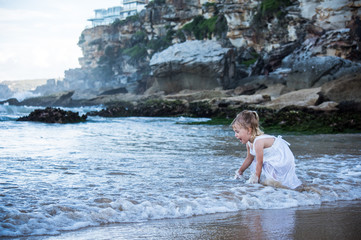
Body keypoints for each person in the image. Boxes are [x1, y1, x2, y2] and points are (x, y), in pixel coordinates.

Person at [231, 110, 302, 189]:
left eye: (237, 132)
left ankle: (278, 187)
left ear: (249, 130)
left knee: (273, 179)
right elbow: (249, 158)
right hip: (270, 157)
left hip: (280, 156)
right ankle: (275, 187)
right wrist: (240, 171)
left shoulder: (258, 142)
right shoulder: (249, 142)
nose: (235, 135)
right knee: (267, 175)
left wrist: (256, 179)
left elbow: (259, 162)